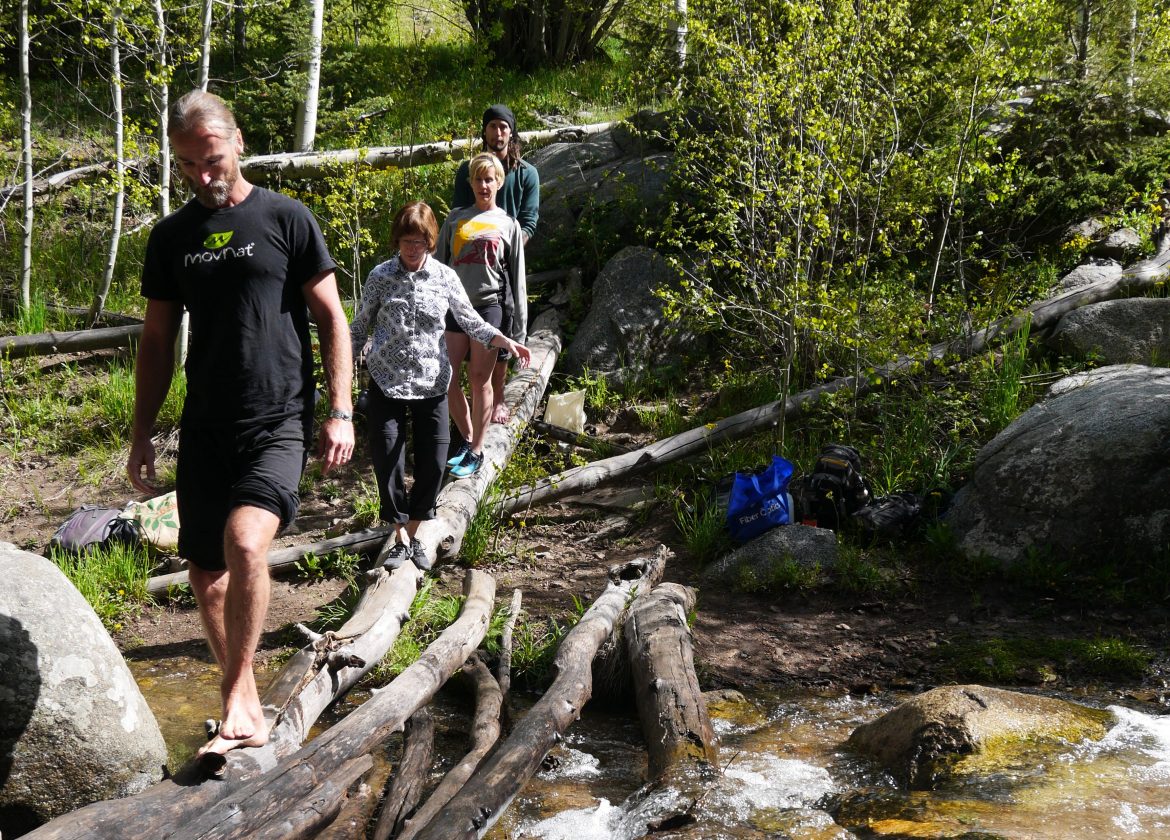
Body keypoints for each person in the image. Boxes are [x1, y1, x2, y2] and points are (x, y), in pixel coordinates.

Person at [127, 89, 354, 761]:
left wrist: (340, 410)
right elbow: (157, 341)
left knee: (246, 543)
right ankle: (246, 695)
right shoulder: (172, 238)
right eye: (188, 165)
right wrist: (141, 432)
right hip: (205, 425)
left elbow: (332, 318)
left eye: (213, 160)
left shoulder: (286, 218)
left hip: (277, 417)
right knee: (206, 573)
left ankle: (233, 698)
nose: (203, 176)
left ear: (238, 143)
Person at [351, 201, 531, 569]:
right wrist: (342, 366)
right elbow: (359, 326)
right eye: (406, 241)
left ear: (431, 241)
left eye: (419, 241)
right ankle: (401, 537)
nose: (412, 248)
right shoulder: (380, 276)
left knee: (434, 463)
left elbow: (469, 319)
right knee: (387, 460)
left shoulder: (445, 277)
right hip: (386, 381)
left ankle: (414, 532)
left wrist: (502, 339)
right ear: (397, 241)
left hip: (432, 382)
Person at [439, 153, 527, 478]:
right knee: (446, 378)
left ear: (498, 182)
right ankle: (468, 439)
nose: (484, 185)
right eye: (478, 179)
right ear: (471, 182)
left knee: (479, 379)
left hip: (490, 306)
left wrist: (519, 330)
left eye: (489, 179)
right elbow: (438, 266)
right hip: (456, 307)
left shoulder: (508, 224)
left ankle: (477, 450)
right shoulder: (455, 219)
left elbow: (517, 279)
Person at [452, 104, 539, 426]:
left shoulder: (527, 173)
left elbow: (529, 221)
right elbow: (459, 215)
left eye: (503, 127)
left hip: (504, 262)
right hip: (470, 261)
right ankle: (473, 399)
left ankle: (498, 397)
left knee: (502, 327)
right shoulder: (468, 171)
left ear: (511, 132)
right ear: (484, 131)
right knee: (464, 326)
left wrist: (506, 248)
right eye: (492, 126)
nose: (498, 133)